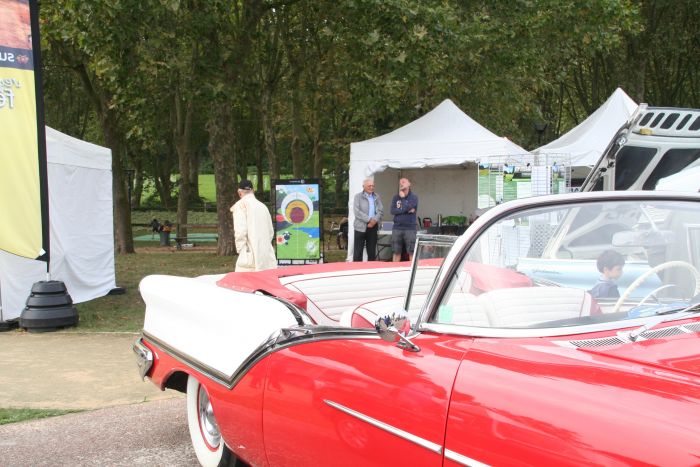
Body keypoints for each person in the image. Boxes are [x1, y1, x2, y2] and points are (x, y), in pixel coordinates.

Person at [230, 179, 277, 272]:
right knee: (265, 283)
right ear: (253, 191)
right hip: (266, 254)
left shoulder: (240, 205)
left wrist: (241, 250)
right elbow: (270, 231)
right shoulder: (263, 206)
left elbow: (240, 231)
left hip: (250, 256)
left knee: (245, 284)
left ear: (239, 192)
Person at [352, 179, 383, 261]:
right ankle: (357, 270)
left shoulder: (377, 196)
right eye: (369, 186)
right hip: (360, 227)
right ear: (363, 186)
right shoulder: (357, 197)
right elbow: (357, 212)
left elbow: (380, 211)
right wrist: (369, 220)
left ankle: (370, 270)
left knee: (371, 251)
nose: (371, 187)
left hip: (373, 227)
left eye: (373, 186)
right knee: (358, 252)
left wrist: (374, 221)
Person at [390, 177, 418, 262]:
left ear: (409, 184)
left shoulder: (414, 197)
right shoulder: (395, 197)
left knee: (411, 252)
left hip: (410, 228)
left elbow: (407, 207)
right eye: (400, 183)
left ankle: (410, 273)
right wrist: (405, 210)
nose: (401, 183)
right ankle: (394, 272)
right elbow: (392, 211)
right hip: (397, 228)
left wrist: (403, 199)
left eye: (403, 182)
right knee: (396, 252)